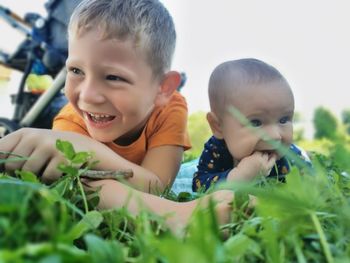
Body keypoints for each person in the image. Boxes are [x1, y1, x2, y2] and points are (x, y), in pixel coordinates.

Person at [0, 0, 237, 232]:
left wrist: (87, 150)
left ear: (162, 88)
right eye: (76, 71)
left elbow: (156, 185)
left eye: (113, 77)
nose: (88, 96)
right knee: (86, 181)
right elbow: (75, 184)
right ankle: (175, 217)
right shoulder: (72, 120)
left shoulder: (171, 108)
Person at [193, 58, 310, 192]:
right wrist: (238, 176)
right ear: (218, 126)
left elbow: (317, 184)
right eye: (256, 122)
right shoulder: (217, 150)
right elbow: (199, 185)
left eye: (283, 120)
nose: (275, 136)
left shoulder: (290, 155)